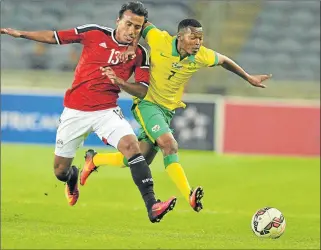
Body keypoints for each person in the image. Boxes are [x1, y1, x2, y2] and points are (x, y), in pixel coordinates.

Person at [0, 2, 177, 223]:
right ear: (118, 21)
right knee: (59, 171)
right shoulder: (93, 33)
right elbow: (56, 36)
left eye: (137, 27)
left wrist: (120, 81)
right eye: (128, 24)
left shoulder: (140, 53)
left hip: (107, 111)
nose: (132, 30)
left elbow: (142, 91)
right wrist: (21, 34)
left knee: (132, 147)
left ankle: (153, 205)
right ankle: (72, 177)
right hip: (75, 111)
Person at [80, 18, 272, 212]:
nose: (197, 43)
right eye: (193, 37)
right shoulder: (159, 39)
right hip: (147, 104)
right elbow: (140, 22)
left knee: (138, 159)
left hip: (167, 111)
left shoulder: (201, 56)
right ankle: (189, 195)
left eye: (200, 38)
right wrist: (133, 46)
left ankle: (94, 160)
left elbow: (223, 60)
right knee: (169, 145)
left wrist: (248, 77)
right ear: (180, 37)